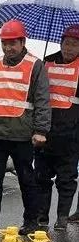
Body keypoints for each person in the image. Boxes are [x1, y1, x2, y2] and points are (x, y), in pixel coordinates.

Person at [0, 19, 51, 236]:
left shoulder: (35, 65)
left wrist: (41, 131)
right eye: (4, 43)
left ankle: (31, 221)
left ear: (22, 42)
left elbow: (42, 99)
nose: (8, 48)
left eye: (12, 43)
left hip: (23, 135)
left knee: (27, 180)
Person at [35, 25, 79, 230]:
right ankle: (41, 217)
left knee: (66, 179)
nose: (69, 48)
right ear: (60, 43)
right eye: (66, 43)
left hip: (71, 134)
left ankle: (62, 218)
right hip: (45, 130)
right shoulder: (46, 62)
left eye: (75, 44)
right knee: (41, 177)